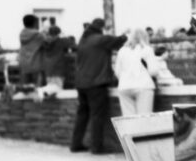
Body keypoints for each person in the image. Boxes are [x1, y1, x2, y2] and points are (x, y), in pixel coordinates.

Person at [70, 17, 126, 153]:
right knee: (97, 115)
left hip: (81, 83)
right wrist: (126, 34)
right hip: (96, 83)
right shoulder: (100, 39)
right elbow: (119, 41)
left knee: (82, 114)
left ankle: (75, 144)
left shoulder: (83, 40)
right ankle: (96, 147)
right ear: (101, 28)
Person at [114, 28, 159, 116]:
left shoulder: (122, 50)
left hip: (124, 86)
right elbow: (154, 71)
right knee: (143, 118)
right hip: (143, 86)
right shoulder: (147, 49)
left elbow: (117, 72)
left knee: (129, 120)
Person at [41, 24, 75, 98]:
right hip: (58, 67)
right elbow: (72, 44)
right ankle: (56, 107)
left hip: (48, 68)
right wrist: (63, 35)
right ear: (58, 33)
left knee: (49, 88)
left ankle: (49, 105)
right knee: (57, 91)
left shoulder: (44, 41)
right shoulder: (61, 41)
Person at [18, 14, 48, 87]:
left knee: (26, 88)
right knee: (37, 89)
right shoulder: (38, 35)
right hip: (36, 64)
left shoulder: (22, 34)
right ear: (34, 23)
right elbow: (47, 44)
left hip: (24, 65)